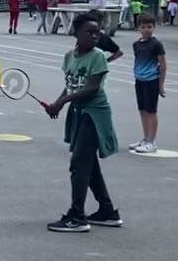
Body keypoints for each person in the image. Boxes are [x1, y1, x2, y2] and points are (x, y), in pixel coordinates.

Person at [45, 13, 122, 233]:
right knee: (89, 166)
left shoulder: (97, 56)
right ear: (76, 33)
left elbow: (92, 88)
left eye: (97, 31)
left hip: (94, 114)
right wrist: (57, 103)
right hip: (79, 113)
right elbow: (70, 84)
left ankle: (77, 216)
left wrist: (62, 101)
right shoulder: (69, 56)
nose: (95, 35)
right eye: (89, 32)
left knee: (79, 164)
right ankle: (107, 211)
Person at [128, 13, 168, 154]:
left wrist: (161, 84)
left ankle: (152, 141)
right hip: (139, 80)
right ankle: (145, 138)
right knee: (142, 110)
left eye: (149, 27)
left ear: (154, 27)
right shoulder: (136, 45)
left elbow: (162, 64)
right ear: (138, 28)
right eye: (143, 27)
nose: (146, 30)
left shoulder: (156, 44)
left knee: (151, 111)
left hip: (151, 81)